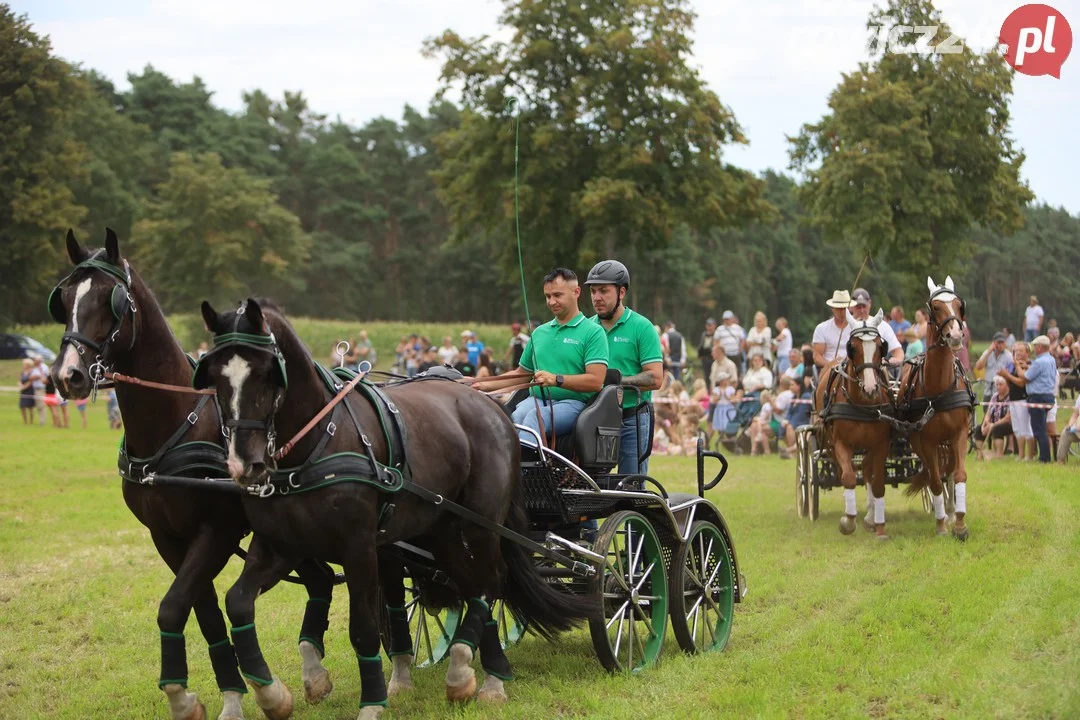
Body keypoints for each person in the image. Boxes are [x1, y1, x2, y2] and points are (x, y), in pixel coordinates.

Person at [473, 268, 608, 445]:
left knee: (535, 418)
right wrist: (481, 385)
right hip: (536, 400)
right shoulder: (539, 333)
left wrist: (556, 379)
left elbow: (596, 381)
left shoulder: (593, 332)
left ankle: (526, 470)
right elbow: (520, 374)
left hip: (574, 405)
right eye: (547, 296)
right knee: (515, 416)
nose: (551, 302)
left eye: (557, 295)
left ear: (576, 292)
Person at [584, 260, 664, 475]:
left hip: (633, 417)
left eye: (603, 291)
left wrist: (615, 382)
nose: (596, 297)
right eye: (593, 291)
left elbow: (655, 378)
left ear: (621, 292)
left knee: (631, 486)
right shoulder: (586, 328)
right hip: (594, 417)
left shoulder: (642, 327)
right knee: (594, 486)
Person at [1003, 335, 1057, 463]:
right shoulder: (1051, 360)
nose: (1034, 349)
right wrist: (1026, 366)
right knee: (1040, 428)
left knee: (1038, 429)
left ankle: (1044, 458)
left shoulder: (1039, 361)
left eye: (1036, 346)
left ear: (1039, 347)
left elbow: (1025, 377)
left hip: (1038, 397)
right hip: (1049, 395)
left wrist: (1017, 366)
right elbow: (1038, 373)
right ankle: (1043, 455)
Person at [848, 289, 903, 367]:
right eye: (858, 307)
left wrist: (896, 359)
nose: (862, 310)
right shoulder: (845, 325)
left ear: (870, 303)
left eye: (864, 306)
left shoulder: (883, 326)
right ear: (851, 306)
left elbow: (897, 350)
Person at [998, 342, 1033, 461]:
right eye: (1016, 351)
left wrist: (1007, 375)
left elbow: (1021, 382)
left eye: (1020, 351)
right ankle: (1021, 454)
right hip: (1013, 399)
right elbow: (1011, 383)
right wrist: (1005, 377)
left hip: (1023, 399)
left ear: (1027, 352)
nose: (1017, 353)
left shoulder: (1027, 365)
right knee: (1017, 428)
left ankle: (1030, 455)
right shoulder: (1013, 365)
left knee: (1026, 427)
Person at [812, 290, 856, 368]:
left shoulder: (857, 327)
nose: (842, 311)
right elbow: (817, 356)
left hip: (852, 369)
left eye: (845, 308)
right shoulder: (821, 328)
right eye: (839, 308)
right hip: (829, 370)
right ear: (832, 308)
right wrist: (830, 366)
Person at [975, 376, 1012, 460]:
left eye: (1001, 384)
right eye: (997, 385)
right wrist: (986, 422)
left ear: (1007, 385)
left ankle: (999, 454)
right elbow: (988, 412)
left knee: (997, 428)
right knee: (978, 428)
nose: (998, 387)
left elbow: (1008, 417)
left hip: (1008, 424)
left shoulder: (1011, 397)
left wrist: (993, 425)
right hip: (993, 423)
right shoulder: (995, 396)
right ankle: (980, 455)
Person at [974, 332, 1012, 404]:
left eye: (1002, 342)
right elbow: (978, 366)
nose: (1001, 345)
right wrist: (989, 352)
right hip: (988, 389)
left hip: (1001, 390)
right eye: (998, 342)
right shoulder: (988, 353)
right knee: (986, 412)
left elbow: (1011, 371)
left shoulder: (1009, 355)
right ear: (994, 343)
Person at [713, 311, 746, 379]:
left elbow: (743, 340)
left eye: (728, 319)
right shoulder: (720, 329)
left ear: (732, 319)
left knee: (737, 372)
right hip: (725, 355)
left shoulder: (738, 328)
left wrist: (740, 350)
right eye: (725, 319)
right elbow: (716, 341)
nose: (726, 320)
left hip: (735, 354)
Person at [1057, 394, 1080, 464]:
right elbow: (1075, 415)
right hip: (1078, 428)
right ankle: (1060, 460)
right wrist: (1070, 426)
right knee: (1066, 432)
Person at [698, 318, 717, 388]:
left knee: (713, 375)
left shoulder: (716, 334)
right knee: (706, 375)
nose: (709, 327)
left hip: (712, 358)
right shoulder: (704, 334)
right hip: (705, 358)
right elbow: (701, 345)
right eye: (708, 325)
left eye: (711, 325)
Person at [18, 358, 35, 424]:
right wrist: (20, 385)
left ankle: (31, 422)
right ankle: (25, 422)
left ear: (28, 364)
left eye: (24, 364)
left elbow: (31, 382)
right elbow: (20, 380)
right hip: (23, 391)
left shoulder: (32, 372)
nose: (23, 365)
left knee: (30, 407)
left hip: (29, 390)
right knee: (22, 406)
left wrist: (24, 387)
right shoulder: (23, 372)